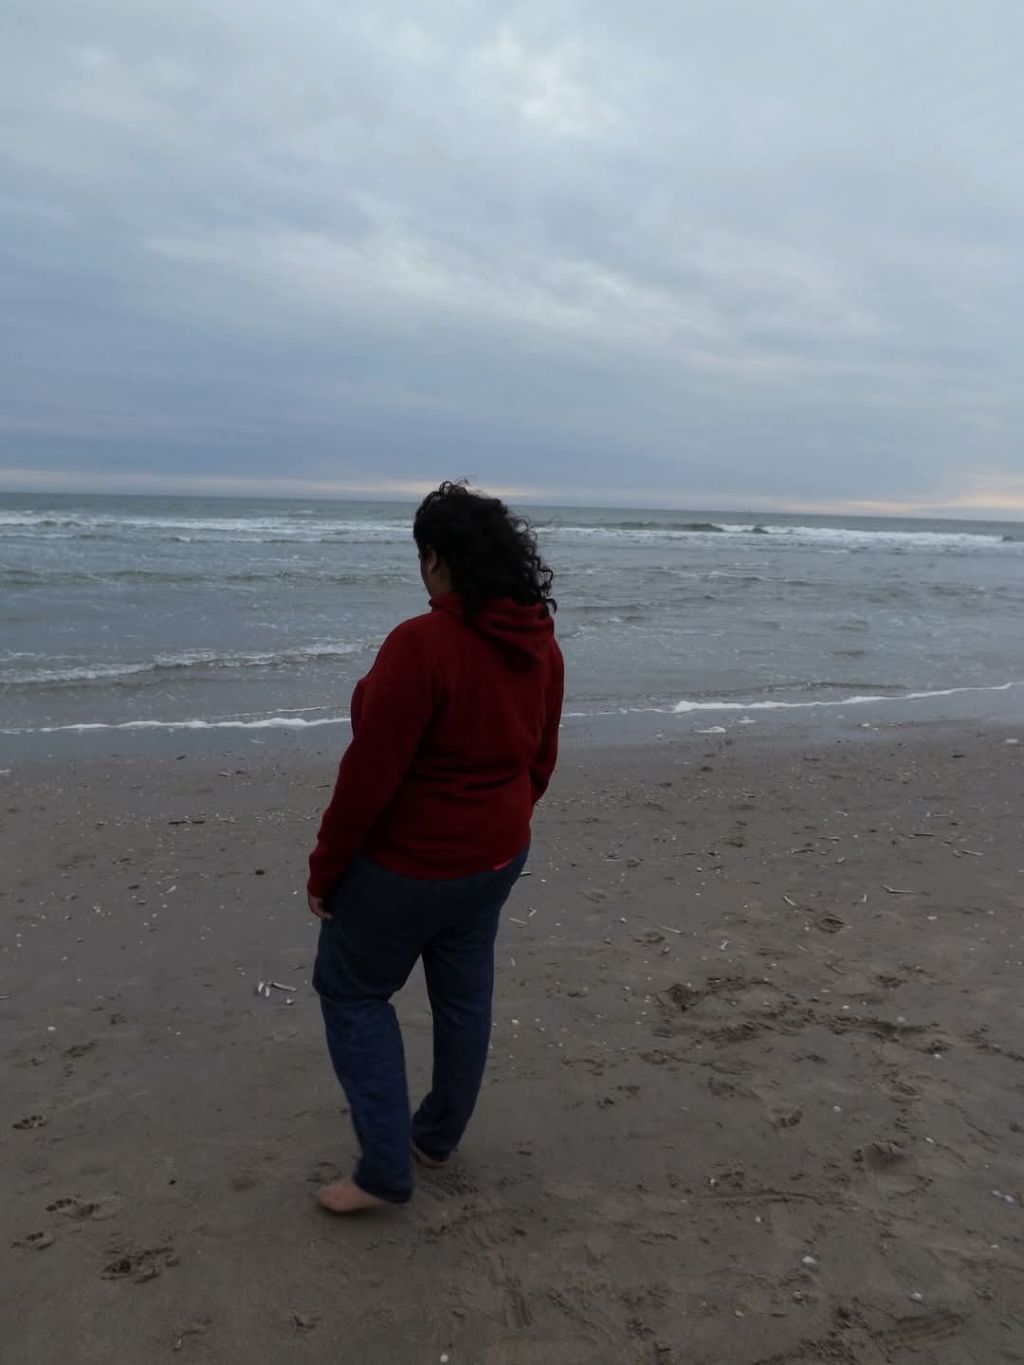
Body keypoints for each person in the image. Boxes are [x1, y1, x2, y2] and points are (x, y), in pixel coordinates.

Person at [307, 481, 564, 1214]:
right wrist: (500, 823)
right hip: (496, 854)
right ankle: (436, 1138)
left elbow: (367, 779)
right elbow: (540, 756)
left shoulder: (421, 645)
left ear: (435, 560)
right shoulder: (539, 642)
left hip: (413, 865)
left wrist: (325, 869)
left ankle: (386, 1169)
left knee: (352, 989)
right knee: (463, 994)